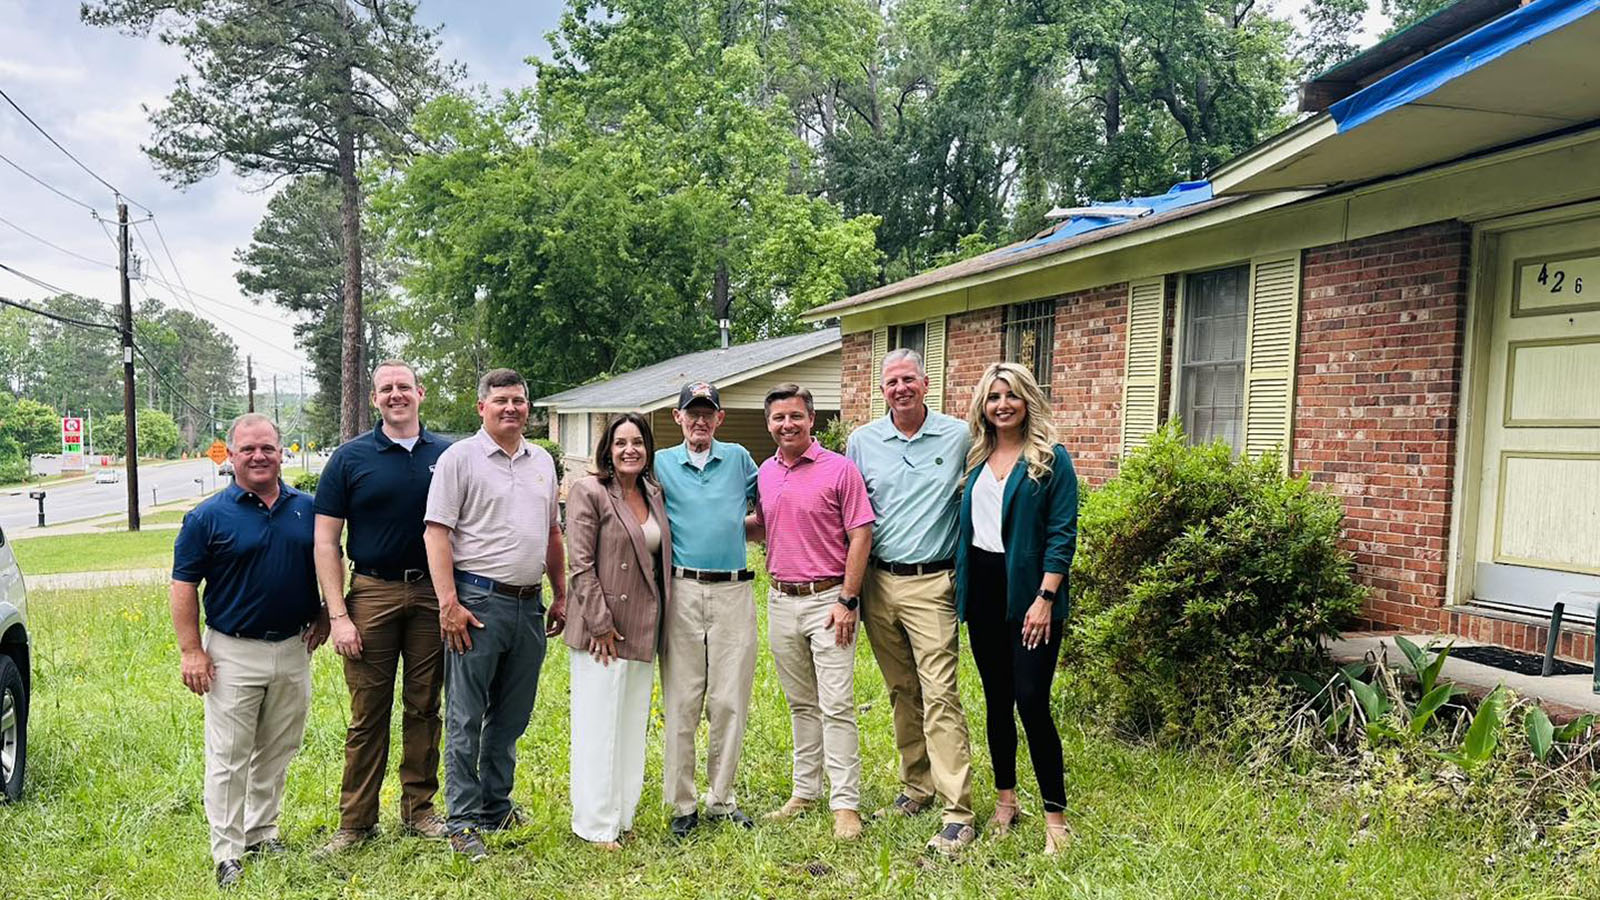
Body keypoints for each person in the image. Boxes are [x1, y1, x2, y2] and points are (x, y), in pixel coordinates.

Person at [170, 413, 327, 889]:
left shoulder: (309, 508)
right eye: (248, 450)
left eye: (268, 448)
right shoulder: (207, 516)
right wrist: (191, 650)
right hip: (232, 652)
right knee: (229, 755)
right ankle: (227, 851)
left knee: (278, 748)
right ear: (231, 456)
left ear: (284, 452)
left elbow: (327, 562)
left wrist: (325, 611)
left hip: (293, 647)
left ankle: (262, 831)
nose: (259, 457)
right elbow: (183, 586)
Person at [422, 367, 567, 861]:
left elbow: (551, 534)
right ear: (481, 406)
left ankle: (495, 804)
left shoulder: (543, 462)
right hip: (476, 603)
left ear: (529, 407)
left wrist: (561, 593)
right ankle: (462, 819)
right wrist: (449, 604)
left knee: (513, 714)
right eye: (501, 400)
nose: (511, 408)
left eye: (520, 401)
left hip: (529, 604)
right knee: (465, 715)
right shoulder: (458, 458)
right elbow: (436, 533)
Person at [313, 360, 452, 853]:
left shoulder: (450, 454)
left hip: (435, 595)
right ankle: (355, 823)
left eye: (404, 387)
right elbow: (326, 541)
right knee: (367, 712)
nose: (396, 395)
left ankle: (420, 810)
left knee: (424, 706)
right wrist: (338, 616)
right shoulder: (349, 459)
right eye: (386, 389)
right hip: (372, 592)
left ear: (421, 392)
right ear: (374, 398)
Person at [845, 348, 976, 854]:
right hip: (879, 583)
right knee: (902, 690)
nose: (900, 389)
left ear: (926, 383)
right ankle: (916, 786)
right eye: (891, 382)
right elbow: (853, 514)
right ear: (882, 391)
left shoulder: (958, 436)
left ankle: (958, 810)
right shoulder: (862, 442)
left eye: (908, 380)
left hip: (932, 583)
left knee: (940, 693)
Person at [953, 362, 1078, 855]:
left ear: (1027, 400)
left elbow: (1062, 534)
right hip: (983, 590)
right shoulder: (976, 458)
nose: (1002, 405)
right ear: (983, 407)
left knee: (1032, 700)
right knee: (997, 700)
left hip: (1031, 593)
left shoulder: (1050, 459)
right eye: (992, 397)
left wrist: (1045, 599)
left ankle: (1056, 819)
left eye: (1011, 396)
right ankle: (1006, 800)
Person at [755, 383, 875, 840]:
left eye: (795, 416)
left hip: (830, 601)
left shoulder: (840, 470)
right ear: (769, 423)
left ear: (812, 419)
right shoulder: (765, 472)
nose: (787, 424)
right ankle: (805, 791)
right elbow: (764, 526)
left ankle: (846, 803)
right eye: (779, 417)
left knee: (837, 704)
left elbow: (861, 534)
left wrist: (848, 599)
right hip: (781, 599)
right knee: (801, 704)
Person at [654, 382, 761, 839]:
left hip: (734, 591)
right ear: (677, 418)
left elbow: (774, 500)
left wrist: (744, 532)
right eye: (690, 413)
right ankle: (682, 803)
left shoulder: (738, 458)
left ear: (720, 418)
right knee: (682, 700)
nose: (699, 421)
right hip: (681, 589)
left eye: (707, 413)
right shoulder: (659, 464)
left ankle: (721, 799)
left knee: (728, 700)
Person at [563, 413, 672, 848]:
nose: (630, 450)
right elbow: (580, 564)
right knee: (598, 727)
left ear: (648, 449)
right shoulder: (588, 492)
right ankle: (594, 824)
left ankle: (621, 815)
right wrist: (601, 624)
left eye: (638, 442)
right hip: (601, 631)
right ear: (607, 448)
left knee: (629, 724)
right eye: (621, 442)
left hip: (643, 623)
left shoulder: (652, 492)